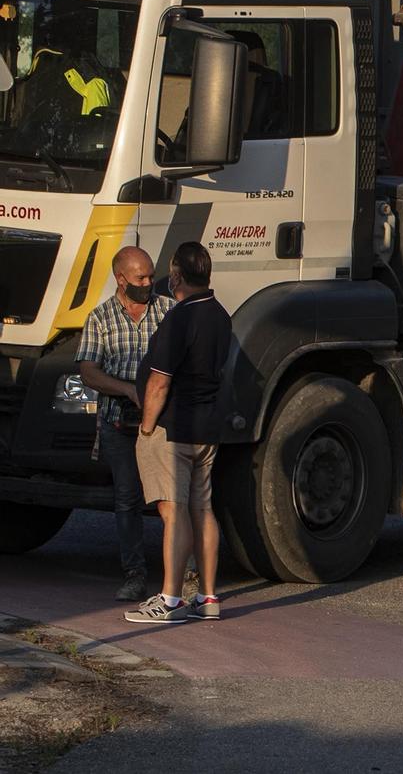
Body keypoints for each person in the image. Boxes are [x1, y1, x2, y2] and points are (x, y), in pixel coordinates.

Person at [124, 243, 232, 625]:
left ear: (177, 276)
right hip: (207, 428)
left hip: (173, 429)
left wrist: (147, 425)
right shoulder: (221, 315)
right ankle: (208, 596)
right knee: (203, 509)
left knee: (173, 511)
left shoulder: (179, 318)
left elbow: (159, 382)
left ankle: (170, 599)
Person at [74, 247, 169, 601]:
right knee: (127, 499)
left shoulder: (168, 311)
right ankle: (134, 575)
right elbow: (88, 372)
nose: (148, 283)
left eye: (150, 275)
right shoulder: (100, 318)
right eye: (140, 278)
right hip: (118, 426)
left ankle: (184, 575)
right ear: (121, 279)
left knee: (171, 500)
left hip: (161, 425)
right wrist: (128, 391)